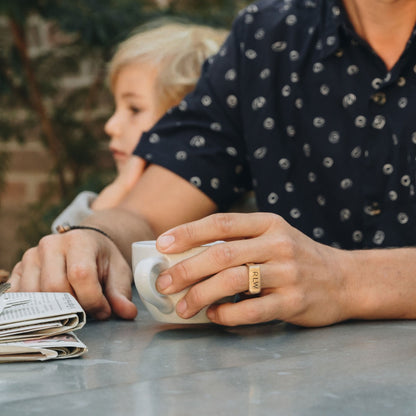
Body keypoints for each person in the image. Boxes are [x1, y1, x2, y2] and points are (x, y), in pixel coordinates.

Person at [9, 0, 416, 327]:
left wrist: (344, 280)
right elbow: (145, 216)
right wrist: (93, 237)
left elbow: (337, 280)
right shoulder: (267, 38)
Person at [50, 20, 229, 231]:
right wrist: (107, 202)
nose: (111, 126)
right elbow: (61, 251)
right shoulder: (117, 197)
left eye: (134, 109)